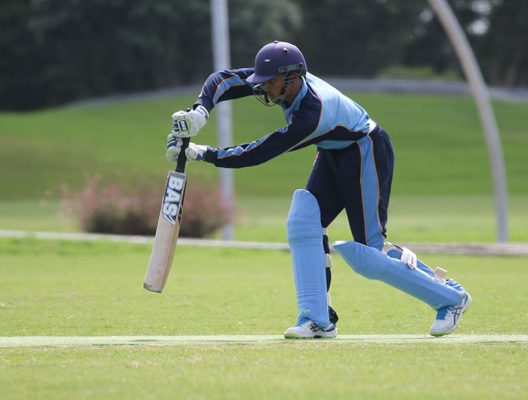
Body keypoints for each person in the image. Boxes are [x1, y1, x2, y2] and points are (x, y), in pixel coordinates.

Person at [165, 41, 471, 339]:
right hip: (332, 151)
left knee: (370, 252)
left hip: (366, 152)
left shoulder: (312, 115)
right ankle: (317, 319)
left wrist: (203, 153)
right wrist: (199, 112)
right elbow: (223, 80)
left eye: (269, 83)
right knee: (304, 221)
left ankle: (450, 299)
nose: (263, 89)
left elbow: (258, 153)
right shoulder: (280, 78)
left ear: (292, 78)